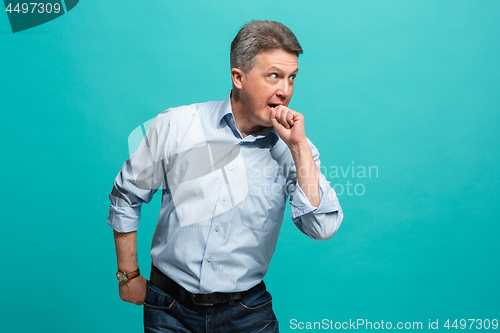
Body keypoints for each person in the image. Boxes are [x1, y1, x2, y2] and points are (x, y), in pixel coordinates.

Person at [107, 20, 343, 333]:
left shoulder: (295, 148)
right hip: (169, 309)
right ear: (238, 77)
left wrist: (298, 148)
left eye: (291, 78)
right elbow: (126, 195)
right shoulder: (177, 125)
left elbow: (322, 227)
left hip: (246, 313)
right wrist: (128, 274)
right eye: (274, 76)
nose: (285, 90)